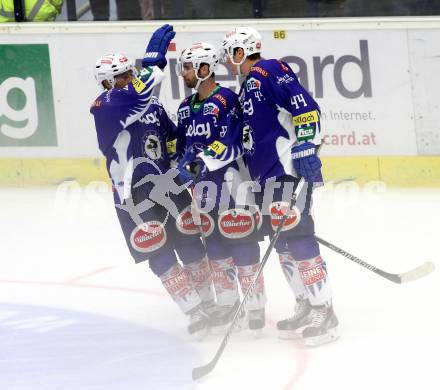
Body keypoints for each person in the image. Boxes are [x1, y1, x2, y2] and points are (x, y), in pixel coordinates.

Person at [90, 25, 215, 339]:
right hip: (133, 194)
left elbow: (171, 140)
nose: (129, 79)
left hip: (168, 185)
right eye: (121, 76)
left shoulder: (153, 106)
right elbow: (142, 89)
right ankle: (193, 309)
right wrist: (152, 65)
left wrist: (189, 159)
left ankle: (212, 304)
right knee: (158, 251)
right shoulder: (105, 106)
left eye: (130, 73)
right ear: (106, 82)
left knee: (189, 242)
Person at [220, 27, 339, 346]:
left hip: (286, 171)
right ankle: (305, 302)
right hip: (266, 178)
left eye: (230, 54)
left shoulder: (269, 69)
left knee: (298, 238)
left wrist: (306, 147)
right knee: (283, 244)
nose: (229, 63)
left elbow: (305, 105)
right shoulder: (247, 88)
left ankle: (325, 311)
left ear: (241, 51)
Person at [175, 42, 267, 334]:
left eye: (188, 67)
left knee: (241, 242)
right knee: (214, 245)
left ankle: (255, 305)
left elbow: (234, 141)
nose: (184, 73)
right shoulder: (184, 108)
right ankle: (228, 305)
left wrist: (200, 161)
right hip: (202, 191)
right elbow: (181, 148)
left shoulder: (228, 99)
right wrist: (182, 165)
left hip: (232, 185)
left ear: (205, 69)